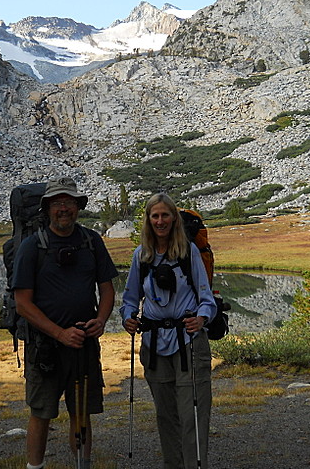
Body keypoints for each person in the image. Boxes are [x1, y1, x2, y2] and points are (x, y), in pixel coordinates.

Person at [13, 176, 118, 469]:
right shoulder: (33, 247)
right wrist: (59, 334)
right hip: (45, 347)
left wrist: (101, 320)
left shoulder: (91, 241)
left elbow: (107, 289)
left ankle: (82, 465)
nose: (64, 208)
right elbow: (22, 303)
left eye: (69, 202)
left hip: (84, 345)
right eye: (58, 203)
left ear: (77, 207)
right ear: (47, 208)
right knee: (41, 412)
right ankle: (35, 467)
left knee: (81, 412)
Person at [120, 192, 217, 469]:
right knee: (165, 415)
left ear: (174, 218)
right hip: (153, 344)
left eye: (165, 215)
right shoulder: (142, 255)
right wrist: (128, 317)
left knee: (192, 414)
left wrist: (201, 319)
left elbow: (206, 299)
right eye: (155, 216)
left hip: (188, 343)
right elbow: (129, 299)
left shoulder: (190, 252)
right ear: (148, 221)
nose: (160, 221)